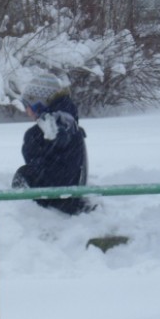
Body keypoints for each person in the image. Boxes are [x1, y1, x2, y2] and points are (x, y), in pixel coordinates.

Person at [12, 73, 95, 215]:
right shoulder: (71, 124)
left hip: (57, 198)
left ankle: (24, 211)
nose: (26, 110)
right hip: (72, 191)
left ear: (39, 104)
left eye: (28, 105)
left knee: (23, 174)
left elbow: (37, 165)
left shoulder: (47, 130)